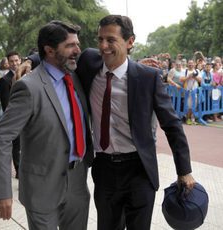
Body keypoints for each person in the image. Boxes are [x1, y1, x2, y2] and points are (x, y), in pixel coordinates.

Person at [75, 15, 196, 230]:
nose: (103, 46)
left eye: (111, 40)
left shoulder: (148, 78)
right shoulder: (89, 62)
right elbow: (58, 53)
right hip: (104, 169)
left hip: (139, 170)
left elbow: (172, 125)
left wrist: (184, 170)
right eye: (100, 39)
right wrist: (30, 62)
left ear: (130, 42)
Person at [0, 20, 93, 230]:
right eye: (70, 45)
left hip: (77, 184)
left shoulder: (75, 76)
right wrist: (2, 192)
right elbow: (1, 138)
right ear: (49, 50)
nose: (78, 50)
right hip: (41, 188)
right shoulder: (28, 87)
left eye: (78, 43)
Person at [0, 51, 22, 178]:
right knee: (17, 145)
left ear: (20, 60)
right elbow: (6, 103)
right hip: (16, 118)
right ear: (8, 63)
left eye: (16, 60)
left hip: (32, 117)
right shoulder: (5, 80)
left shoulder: (29, 75)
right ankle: (19, 170)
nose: (14, 64)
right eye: (11, 61)